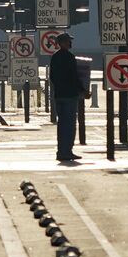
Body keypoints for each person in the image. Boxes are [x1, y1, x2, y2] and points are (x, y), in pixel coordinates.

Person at [49, 34, 83, 164]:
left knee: (61, 124)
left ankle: (61, 151)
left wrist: (59, 87)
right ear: (63, 43)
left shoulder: (55, 57)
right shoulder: (69, 57)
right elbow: (74, 76)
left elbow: (52, 77)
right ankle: (67, 151)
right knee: (69, 125)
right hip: (69, 95)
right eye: (68, 41)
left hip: (59, 95)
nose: (70, 43)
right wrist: (82, 90)